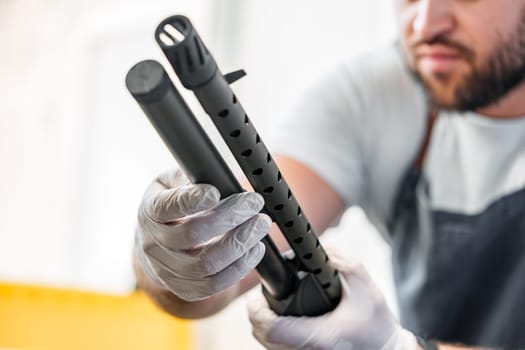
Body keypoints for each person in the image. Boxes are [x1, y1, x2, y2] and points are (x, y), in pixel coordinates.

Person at [133, 0, 525, 349]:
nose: (425, 24)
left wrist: (397, 346)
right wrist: (171, 259)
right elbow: (245, 241)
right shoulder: (376, 93)